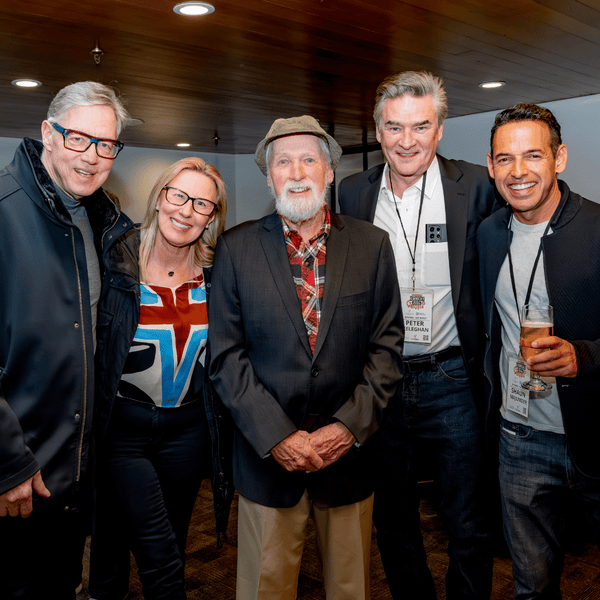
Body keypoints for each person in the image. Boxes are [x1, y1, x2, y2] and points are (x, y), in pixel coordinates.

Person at [208, 115, 404, 600]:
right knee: (264, 588)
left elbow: (386, 348)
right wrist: (278, 437)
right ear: (269, 175)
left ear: (329, 172)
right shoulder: (235, 249)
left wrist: (346, 428)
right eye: (283, 162)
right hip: (267, 458)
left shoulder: (372, 245)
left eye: (308, 159)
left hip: (348, 454)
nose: (296, 172)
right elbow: (226, 358)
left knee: (349, 587)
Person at [338, 70, 499, 599]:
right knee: (394, 517)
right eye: (394, 127)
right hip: (381, 379)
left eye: (420, 126)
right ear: (378, 130)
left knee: (467, 518)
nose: (407, 140)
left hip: (452, 376)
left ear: (440, 129)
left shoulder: (476, 187)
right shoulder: (352, 192)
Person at [0, 81, 132, 599]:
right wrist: (8, 461)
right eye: (79, 138)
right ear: (46, 135)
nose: (93, 156)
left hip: (73, 473)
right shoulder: (5, 212)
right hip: (17, 475)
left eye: (106, 145)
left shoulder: (100, 220)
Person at [89, 157, 233, 600]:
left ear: (212, 217)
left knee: (162, 542)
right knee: (161, 561)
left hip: (187, 433)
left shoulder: (218, 273)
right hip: (123, 430)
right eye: (179, 196)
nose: (187, 211)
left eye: (202, 204)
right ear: (159, 199)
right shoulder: (115, 259)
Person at [477, 103, 600, 599]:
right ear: (490, 167)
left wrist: (584, 357)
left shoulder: (596, 229)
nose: (519, 171)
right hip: (520, 438)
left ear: (560, 158)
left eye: (533, 155)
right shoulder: (487, 234)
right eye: (505, 159)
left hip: (594, 433)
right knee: (531, 586)